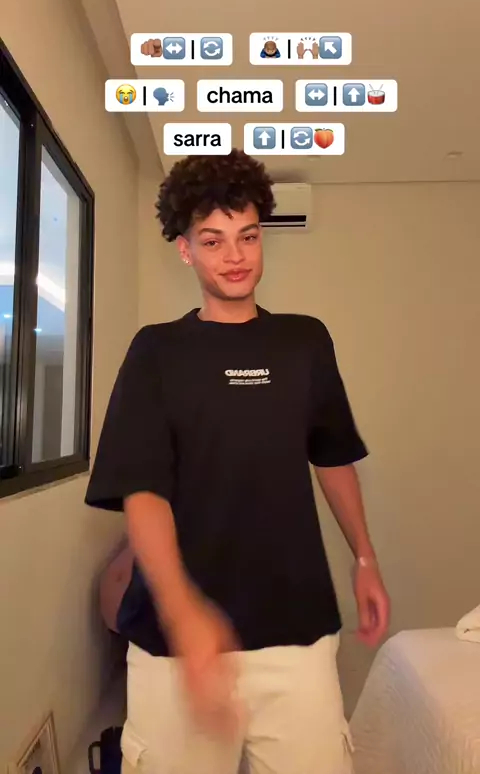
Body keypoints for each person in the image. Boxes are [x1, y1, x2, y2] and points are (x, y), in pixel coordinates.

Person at [85, 149, 390, 774]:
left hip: (296, 635)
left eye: (248, 236)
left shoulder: (305, 341)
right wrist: (185, 617)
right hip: (176, 649)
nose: (235, 255)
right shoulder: (157, 352)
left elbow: (333, 457)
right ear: (185, 250)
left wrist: (365, 557)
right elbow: (142, 491)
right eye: (213, 240)